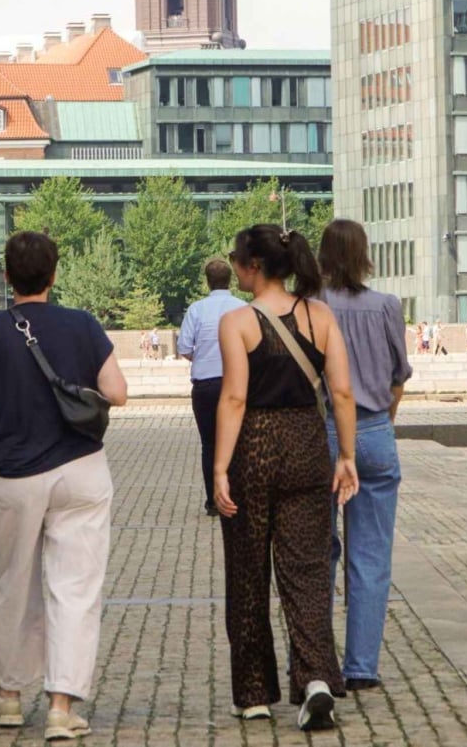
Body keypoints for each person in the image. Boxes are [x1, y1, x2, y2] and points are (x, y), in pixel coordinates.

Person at [0, 231, 129, 741]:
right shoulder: (83, 325)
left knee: (14, 585)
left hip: (12, 475)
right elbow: (117, 392)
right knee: (75, 588)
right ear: (55, 274)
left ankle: (9, 697)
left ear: (6, 276)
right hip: (81, 470)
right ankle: (61, 705)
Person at [215, 225, 357, 731]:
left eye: (235, 258)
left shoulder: (238, 322)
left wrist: (219, 467)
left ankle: (254, 692)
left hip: (254, 447)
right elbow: (341, 392)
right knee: (307, 572)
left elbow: (233, 398)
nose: (233, 265)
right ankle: (316, 678)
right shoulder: (319, 315)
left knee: (249, 571)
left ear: (252, 266)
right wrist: (347, 456)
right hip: (306, 446)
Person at [318, 219, 413, 692]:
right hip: (374, 429)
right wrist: (382, 424)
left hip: (320, 435)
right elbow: (400, 376)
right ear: (364, 256)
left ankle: (315, 661)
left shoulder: (311, 307)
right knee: (371, 554)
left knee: (317, 552)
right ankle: (360, 667)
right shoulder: (387, 306)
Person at [177, 259, 247, 515]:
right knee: (238, 442)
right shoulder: (243, 308)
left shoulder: (196, 310)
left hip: (205, 385)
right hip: (237, 382)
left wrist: (204, 358)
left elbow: (184, 347)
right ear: (230, 279)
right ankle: (237, 496)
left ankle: (213, 502)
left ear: (207, 281)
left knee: (209, 444)